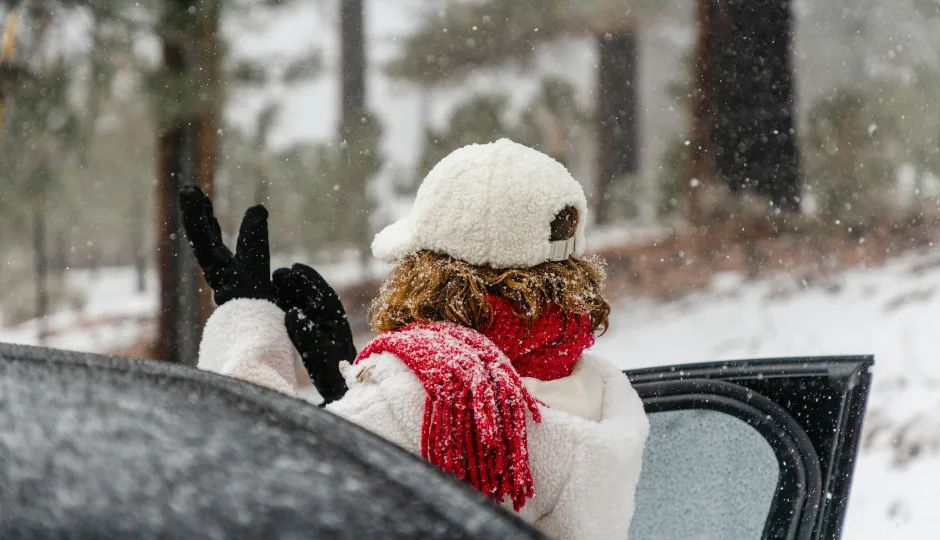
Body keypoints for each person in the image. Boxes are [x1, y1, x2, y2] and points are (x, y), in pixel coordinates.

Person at [180, 139, 649, 540]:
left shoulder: (437, 398)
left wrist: (246, 321)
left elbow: (248, 479)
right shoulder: (602, 393)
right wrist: (349, 393)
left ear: (432, 273)